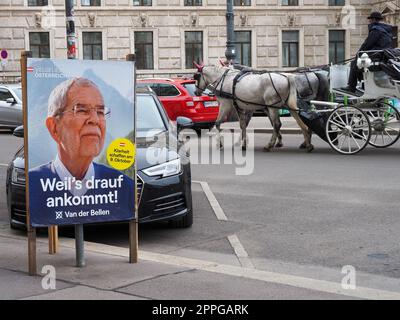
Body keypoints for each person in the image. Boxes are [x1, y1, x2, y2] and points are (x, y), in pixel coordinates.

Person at [29, 77, 134, 226]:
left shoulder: (124, 187)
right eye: (82, 110)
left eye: (100, 111)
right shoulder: (33, 185)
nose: (95, 120)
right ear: (54, 127)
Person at [342, 11, 393, 93]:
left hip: (376, 56)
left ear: (373, 20)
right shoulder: (386, 30)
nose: (369, 21)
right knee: (359, 64)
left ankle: (351, 87)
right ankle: (363, 85)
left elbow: (367, 44)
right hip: (382, 56)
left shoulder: (376, 30)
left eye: (370, 19)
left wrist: (358, 54)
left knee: (354, 63)